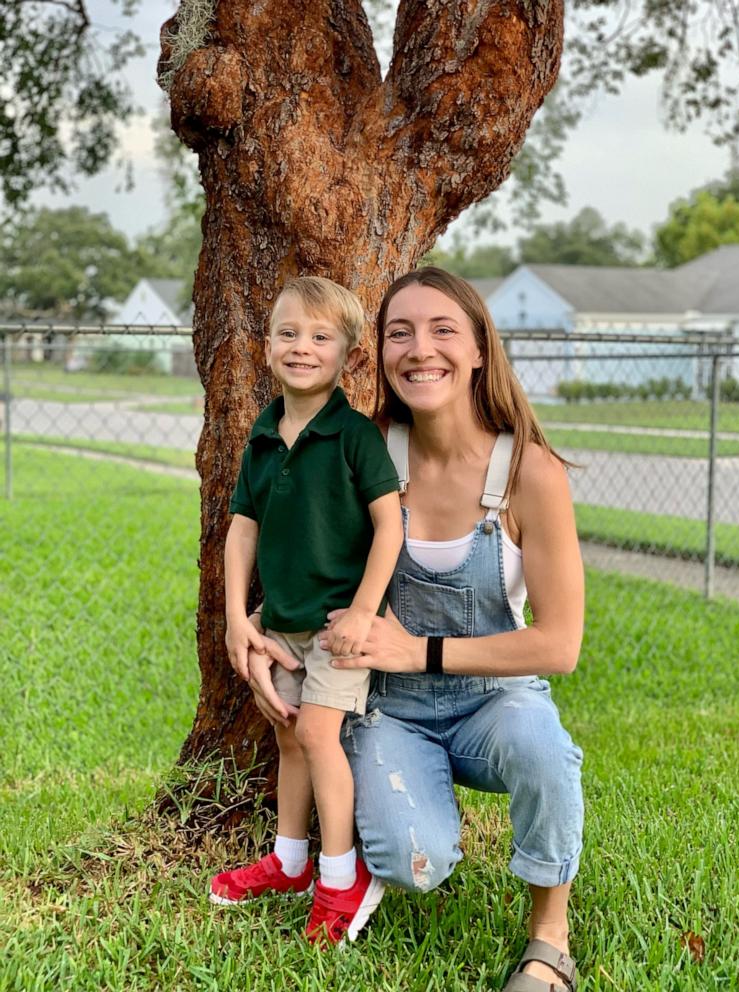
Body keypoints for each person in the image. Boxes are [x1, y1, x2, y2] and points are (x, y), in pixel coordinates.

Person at [247, 267, 585, 990]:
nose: (419, 349)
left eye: (442, 330)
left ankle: (550, 939)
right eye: (400, 332)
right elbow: (302, 550)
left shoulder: (529, 473)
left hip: (495, 702)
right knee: (415, 863)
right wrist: (251, 626)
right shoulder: (367, 448)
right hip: (388, 707)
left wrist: (417, 647)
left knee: (545, 749)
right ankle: (378, 832)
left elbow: (560, 646)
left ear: (477, 351)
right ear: (382, 352)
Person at [209, 276, 403, 946]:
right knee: (289, 734)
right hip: (280, 623)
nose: (302, 346)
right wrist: (239, 618)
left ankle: (339, 876)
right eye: (288, 333)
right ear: (266, 348)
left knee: (319, 737)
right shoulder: (263, 438)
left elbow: (391, 528)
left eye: (320, 337)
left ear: (348, 354)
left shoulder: (353, 437)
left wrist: (361, 612)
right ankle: (289, 861)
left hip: (336, 630)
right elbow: (242, 528)